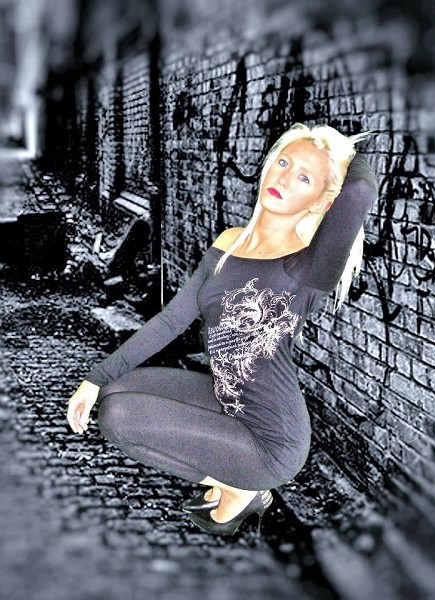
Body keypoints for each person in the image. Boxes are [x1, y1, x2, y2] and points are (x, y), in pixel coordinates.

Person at [66, 122, 378, 536]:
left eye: (305, 178)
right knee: (114, 390)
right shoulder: (230, 242)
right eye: (283, 163)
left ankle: (242, 486)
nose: (284, 178)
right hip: (225, 397)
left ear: (321, 200)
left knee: (118, 416)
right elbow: (172, 320)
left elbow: (359, 190)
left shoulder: (310, 265)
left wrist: (336, 149)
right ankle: (230, 477)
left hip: (272, 438)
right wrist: (95, 377)